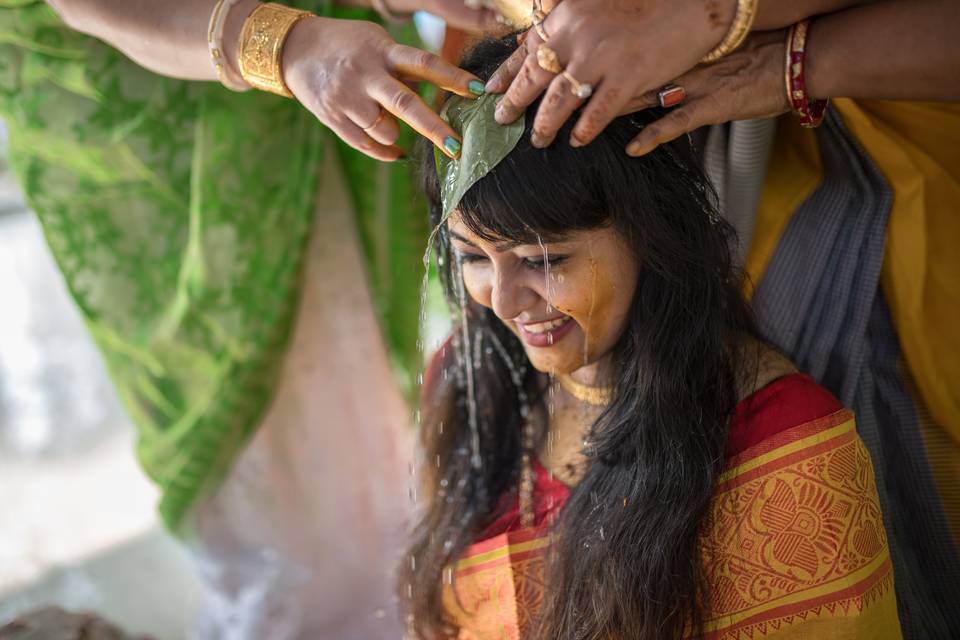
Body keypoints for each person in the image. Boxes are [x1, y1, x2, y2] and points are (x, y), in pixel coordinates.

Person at [0, 0, 497, 637]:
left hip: (328, 85)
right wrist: (284, 47)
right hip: (157, 136)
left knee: (368, 429)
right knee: (271, 493)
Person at [482, 1, 960, 636]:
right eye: (468, 257)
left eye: (546, 260)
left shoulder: (784, 427)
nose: (500, 301)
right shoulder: (472, 383)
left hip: (869, 169)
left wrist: (746, 37)